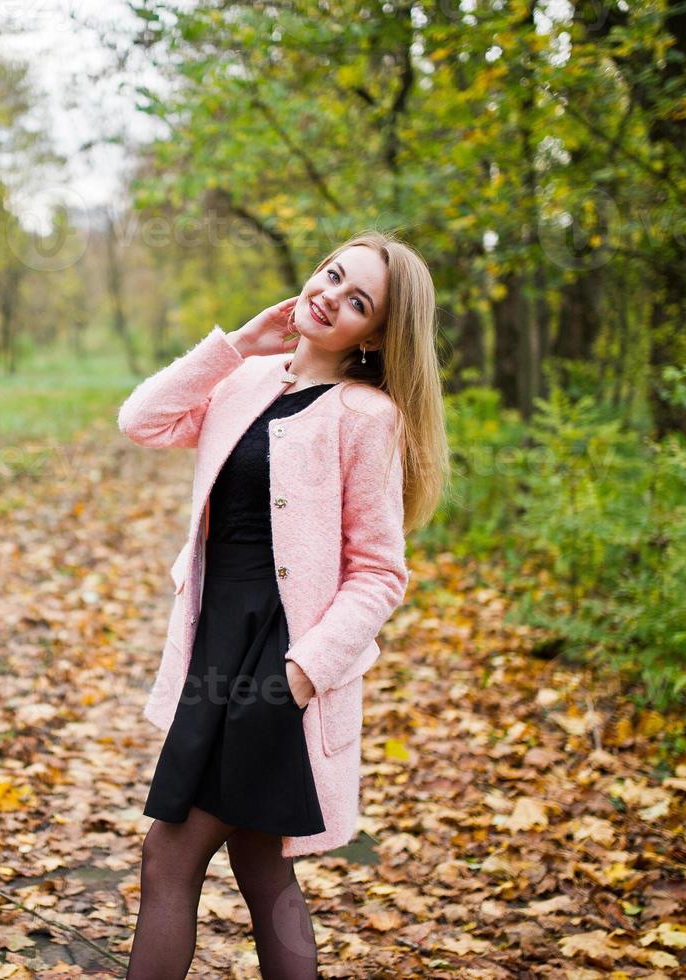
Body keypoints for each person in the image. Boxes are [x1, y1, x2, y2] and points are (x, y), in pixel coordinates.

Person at [116, 230, 450, 978]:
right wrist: (236, 344)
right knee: (259, 864)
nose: (331, 295)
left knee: (169, 854)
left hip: (275, 662)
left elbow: (379, 572)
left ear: (375, 335)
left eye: (357, 300)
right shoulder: (247, 379)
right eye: (332, 275)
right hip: (216, 649)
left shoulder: (364, 415)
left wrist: (300, 675)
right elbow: (142, 420)